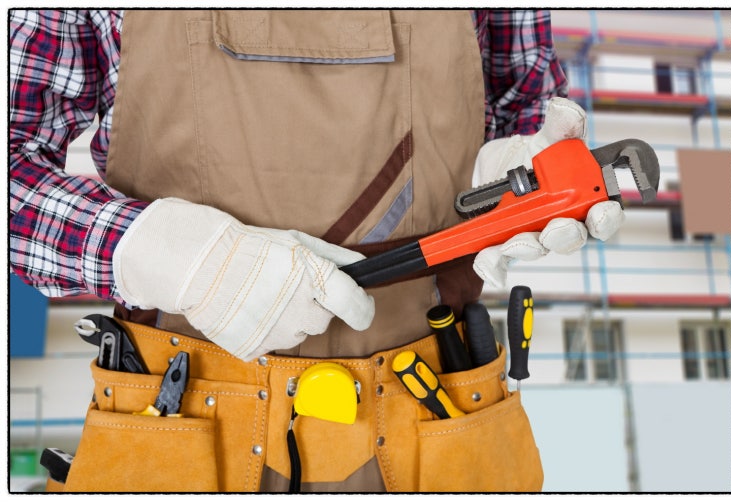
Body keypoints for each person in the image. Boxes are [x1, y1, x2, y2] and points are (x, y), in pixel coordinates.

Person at [9, 9, 623, 493]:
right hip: (180, 422)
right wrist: (162, 254)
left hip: (438, 420)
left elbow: (521, 107)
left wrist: (509, 171)